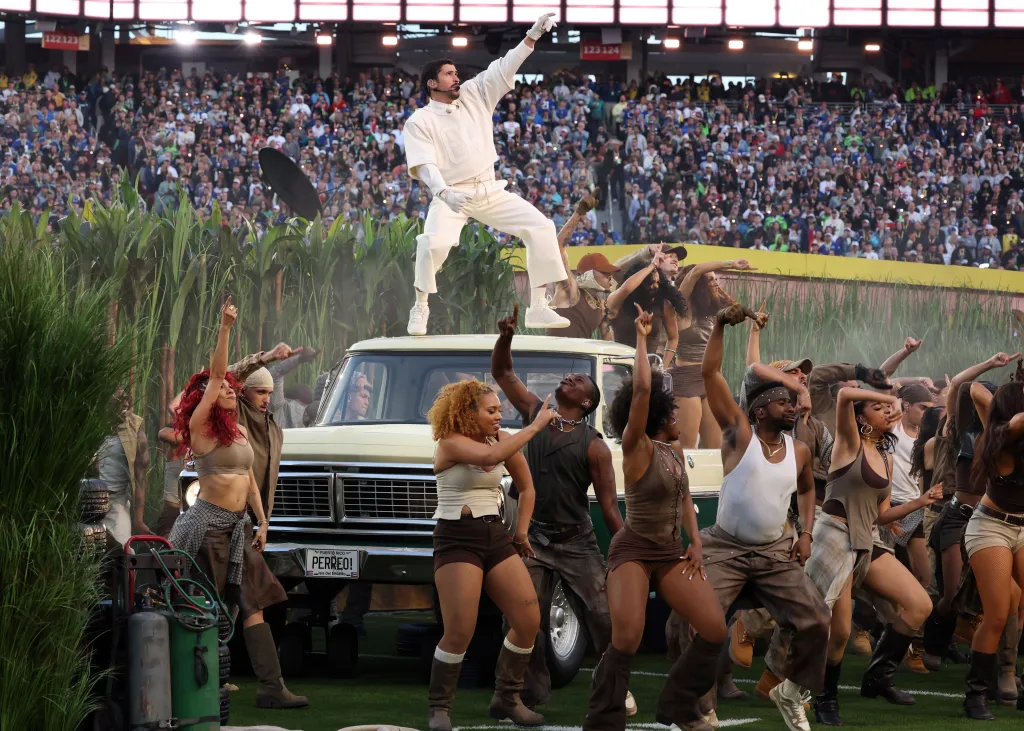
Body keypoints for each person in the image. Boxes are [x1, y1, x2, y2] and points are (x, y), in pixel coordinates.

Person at [583, 305, 726, 731]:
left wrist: (695, 542)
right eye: (676, 413)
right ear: (659, 417)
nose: (682, 416)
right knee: (626, 639)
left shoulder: (673, 452)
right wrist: (644, 338)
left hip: (670, 553)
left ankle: (678, 706)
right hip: (632, 551)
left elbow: (684, 500)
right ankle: (605, 718)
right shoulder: (637, 446)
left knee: (714, 629)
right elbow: (642, 391)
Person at [491, 304, 633, 711]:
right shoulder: (536, 412)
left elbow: (607, 507)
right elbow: (504, 374)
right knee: (522, 620)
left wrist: (624, 549)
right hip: (531, 538)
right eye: (569, 376)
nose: (569, 378)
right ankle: (529, 695)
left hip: (576, 542)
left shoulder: (595, 445)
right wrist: (506, 337)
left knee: (604, 617)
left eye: (579, 381)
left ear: (587, 402)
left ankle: (615, 687)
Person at [169, 298, 307, 709]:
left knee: (253, 602)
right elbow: (217, 374)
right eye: (223, 389)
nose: (228, 390)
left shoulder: (239, 432)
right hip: (207, 527)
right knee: (204, 604)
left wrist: (262, 521)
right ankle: (203, 680)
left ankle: (271, 687)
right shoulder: (201, 431)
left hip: (239, 527)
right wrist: (225, 327)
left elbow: (248, 479)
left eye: (232, 389)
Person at [699, 303, 829, 731]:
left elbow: (808, 489)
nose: (793, 407)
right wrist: (719, 325)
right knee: (702, 623)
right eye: (783, 402)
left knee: (816, 619)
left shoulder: (801, 450)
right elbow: (710, 376)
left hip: (775, 552)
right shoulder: (739, 435)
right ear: (759, 410)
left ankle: (790, 692)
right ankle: (700, 705)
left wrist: (806, 531)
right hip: (725, 549)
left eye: (794, 402)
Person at [403, 13, 568, 335]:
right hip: (452, 195)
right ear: (432, 84)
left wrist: (532, 36)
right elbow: (425, 165)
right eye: (449, 74)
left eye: (456, 72)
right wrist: (443, 193)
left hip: (490, 190)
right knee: (430, 242)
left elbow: (505, 65)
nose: (457, 78)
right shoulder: (419, 120)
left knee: (542, 227)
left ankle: (537, 308)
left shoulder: (475, 93)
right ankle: (420, 305)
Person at [799, 385, 940, 726]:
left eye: (889, 408)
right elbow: (845, 395)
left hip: (869, 541)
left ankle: (878, 677)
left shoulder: (887, 456)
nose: (889, 412)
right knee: (842, 631)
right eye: (879, 408)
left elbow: (881, 513)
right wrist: (892, 398)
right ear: (861, 418)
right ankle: (825, 699)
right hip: (836, 539)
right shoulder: (848, 443)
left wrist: (919, 503)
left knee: (920, 604)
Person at [424, 379, 558, 731]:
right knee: (459, 631)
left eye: (500, 409)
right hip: (457, 538)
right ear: (469, 412)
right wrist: (534, 426)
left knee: (528, 620)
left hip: (495, 536)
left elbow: (527, 487)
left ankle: (507, 698)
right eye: (492, 410)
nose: (500, 416)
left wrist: (522, 533)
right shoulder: (450, 442)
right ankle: (440, 706)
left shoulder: (500, 439)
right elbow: (489, 458)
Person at [925, 353, 1018, 675]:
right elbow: (964, 388)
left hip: (996, 520)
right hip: (958, 515)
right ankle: (932, 643)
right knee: (950, 592)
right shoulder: (958, 428)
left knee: (1003, 600)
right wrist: (991, 365)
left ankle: (998, 667)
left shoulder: (1008, 437)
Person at [961, 373, 1024, 720]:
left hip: (1023, 527)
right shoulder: (999, 437)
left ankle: (1013, 676)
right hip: (991, 527)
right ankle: (975, 697)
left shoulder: (1002, 422)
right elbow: (973, 388)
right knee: (998, 614)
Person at [671, 259, 753, 449]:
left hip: (711, 381)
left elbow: (737, 310)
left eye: (717, 279)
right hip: (687, 380)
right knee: (687, 448)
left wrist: (756, 318)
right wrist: (732, 263)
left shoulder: (710, 313)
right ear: (699, 284)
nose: (716, 283)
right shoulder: (683, 310)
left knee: (715, 448)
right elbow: (696, 269)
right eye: (710, 279)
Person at [228, 341, 306, 519]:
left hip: (260, 516)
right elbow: (225, 377)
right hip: (231, 512)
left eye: (269, 393)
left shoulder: (273, 428)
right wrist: (267, 357)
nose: (267, 399)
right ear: (242, 391)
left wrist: (264, 521)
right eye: (261, 392)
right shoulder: (235, 412)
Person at [605, 253, 686, 360]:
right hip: (621, 368)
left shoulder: (663, 304)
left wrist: (663, 366)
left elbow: (673, 338)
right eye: (650, 282)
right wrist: (652, 265)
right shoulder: (618, 302)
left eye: (658, 282)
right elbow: (626, 289)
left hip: (650, 370)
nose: (655, 286)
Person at [96, 403, 151, 544]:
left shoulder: (134, 429)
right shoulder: (89, 421)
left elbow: (140, 475)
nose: (125, 404)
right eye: (119, 400)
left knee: (124, 551)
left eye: (126, 399)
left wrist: (138, 520)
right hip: (86, 500)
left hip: (116, 501)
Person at [155, 393, 184, 538]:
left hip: (200, 508)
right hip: (173, 509)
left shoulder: (209, 435)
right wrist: (192, 385)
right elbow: (173, 407)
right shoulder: (173, 434)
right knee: (167, 538)